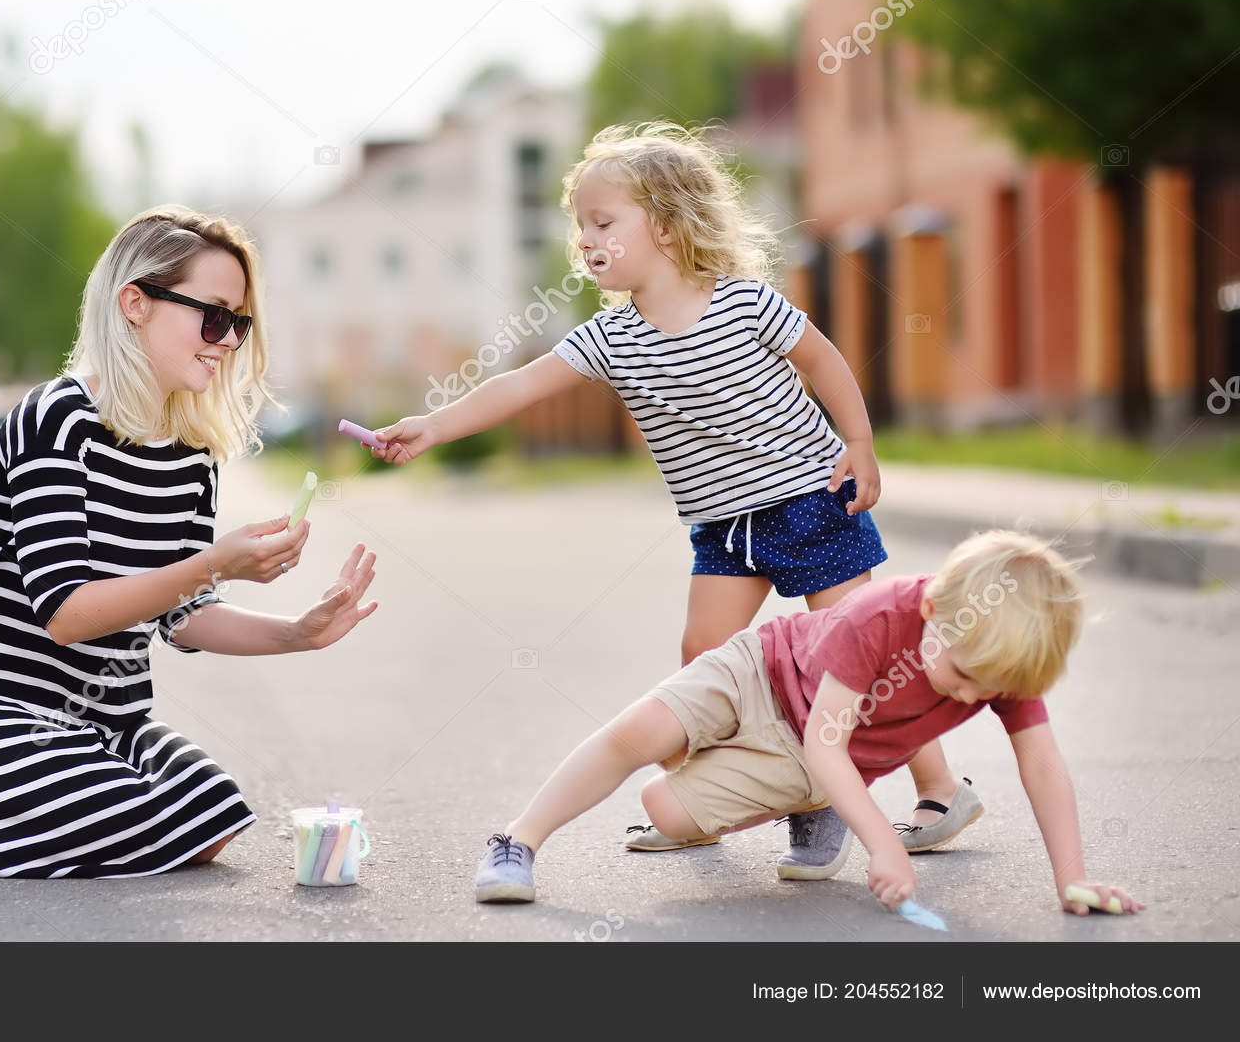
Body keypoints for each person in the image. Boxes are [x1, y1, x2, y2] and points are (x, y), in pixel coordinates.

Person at [371, 122, 978, 873]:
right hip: (725, 526)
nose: (586, 240)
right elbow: (521, 384)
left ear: (662, 221)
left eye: (602, 222)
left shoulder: (745, 302)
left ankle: (942, 788)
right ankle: (702, 801)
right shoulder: (612, 336)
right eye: (580, 226)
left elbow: (822, 358)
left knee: (860, 656)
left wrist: (858, 442)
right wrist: (433, 425)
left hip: (811, 500)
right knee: (700, 656)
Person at [0, 206, 378, 877]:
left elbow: (184, 614)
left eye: (238, 322)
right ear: (135, 303)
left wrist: (299, 630)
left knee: (212, 816)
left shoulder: (190, 454)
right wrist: (215, 560)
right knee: (145, 826)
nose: (228, 340)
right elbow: (66, 613)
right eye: (213, 316)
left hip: (94, 716)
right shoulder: (56, 421)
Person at [473, 529, 1144, 919]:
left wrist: (1071, 877)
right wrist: (881, 837)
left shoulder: (1001, 661)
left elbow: (1043, 764)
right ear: (936, 606)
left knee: (665, 808)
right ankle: (518, 838)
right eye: (962, 672)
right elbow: (832, 737)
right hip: (761, 670)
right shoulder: (881, 613)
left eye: (987, 688)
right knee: (641, 731)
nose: (971, 694)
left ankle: (822, 805)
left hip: (805, 757)